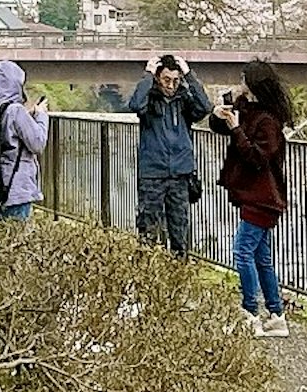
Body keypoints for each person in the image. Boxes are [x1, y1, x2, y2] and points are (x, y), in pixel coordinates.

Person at [214, 59, 293, 334]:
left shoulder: (268, 121)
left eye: (244, 78)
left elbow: (257, 158)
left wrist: (236, 128)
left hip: (263, 197)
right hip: (257, 196)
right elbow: (219, 126)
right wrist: (222, 112)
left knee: (242, 251)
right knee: (261, 257)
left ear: (254, 83)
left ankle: (250, 313)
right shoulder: (251, 110)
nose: (240, 82)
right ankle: (276, 315)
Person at [122, 52, 213, 256]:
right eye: (166, 80)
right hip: (153, 173)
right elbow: (135, 105)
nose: (170, 85)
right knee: (148, 231)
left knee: (180, 232)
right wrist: (148, 74)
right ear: (157, 78)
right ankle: (147, 274)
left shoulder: (183, 100)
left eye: (175, 80)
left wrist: (189, 75)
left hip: (180, 174)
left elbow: (205, 107)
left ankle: (178, 274)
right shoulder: (149, 100)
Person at [0, 56, 50, 223]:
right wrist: (41, 116)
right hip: (17, 189)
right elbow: (38, 143)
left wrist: (29, 118)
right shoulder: (15, 111)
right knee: (15, 242)